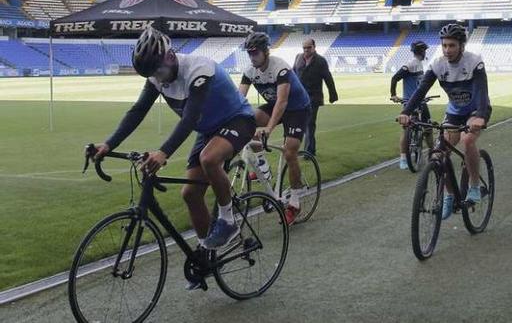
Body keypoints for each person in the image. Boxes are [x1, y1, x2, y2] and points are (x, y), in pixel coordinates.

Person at [91, 27, 256, 257]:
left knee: (208, 158)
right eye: (152, 74)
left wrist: (163, 152)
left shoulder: (198, 70)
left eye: (159, 71)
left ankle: (227, 219)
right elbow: (138, 111)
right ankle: (204, 253)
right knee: (190, 194)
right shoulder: (156, 75)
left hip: (238, 119)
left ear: (170, 56)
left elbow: (190, 118)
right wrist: (109, 144)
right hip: (209, 129)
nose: (158, 78)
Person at [397, 24, 491, 219]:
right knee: (439, 154)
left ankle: (474, 186)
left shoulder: (474, 62)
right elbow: (421, 90)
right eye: (444, 45)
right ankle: (449, 195)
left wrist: (480, 116)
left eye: (452, 46)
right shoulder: (438, 64)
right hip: (455, 112)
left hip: (476, 110)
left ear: (461, 46)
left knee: (468, 141)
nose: (447, 50)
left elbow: (482, 91)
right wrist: (406, 111)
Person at [238, 32, 311, 224]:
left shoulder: (280, 68)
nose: (252, 57)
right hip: (274, 105)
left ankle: (295, 202)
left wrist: (269, 129)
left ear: (265, 51)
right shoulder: (249, 71)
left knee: (289, 152)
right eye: (249, 53)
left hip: (296, 108)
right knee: (247, 121)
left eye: (255, 53)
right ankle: (263, 166)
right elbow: (239, 99)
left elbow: (282, 101)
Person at [390, 40, 432, 169]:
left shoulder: (418, 63)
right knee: (428, 128)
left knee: (406, 128)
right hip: (412, 102)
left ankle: (403, 158)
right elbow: (395, 78)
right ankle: (433, 153)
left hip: (415, 101)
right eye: (424, 51)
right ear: (422, 51)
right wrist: (393, 94)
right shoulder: (411, 64)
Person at [293, 38, 338, 155]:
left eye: (309, 47)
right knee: (300, 124)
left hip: (314, 97)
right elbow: (292, 74)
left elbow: (328, 78)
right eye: (304, 48)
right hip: (299, 97)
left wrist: (333, 95)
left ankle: (309, 151)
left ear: (314, 47)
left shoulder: (321, 61)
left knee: (309, 123)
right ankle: (306, 148)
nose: (306, 50)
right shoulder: (298, 57)